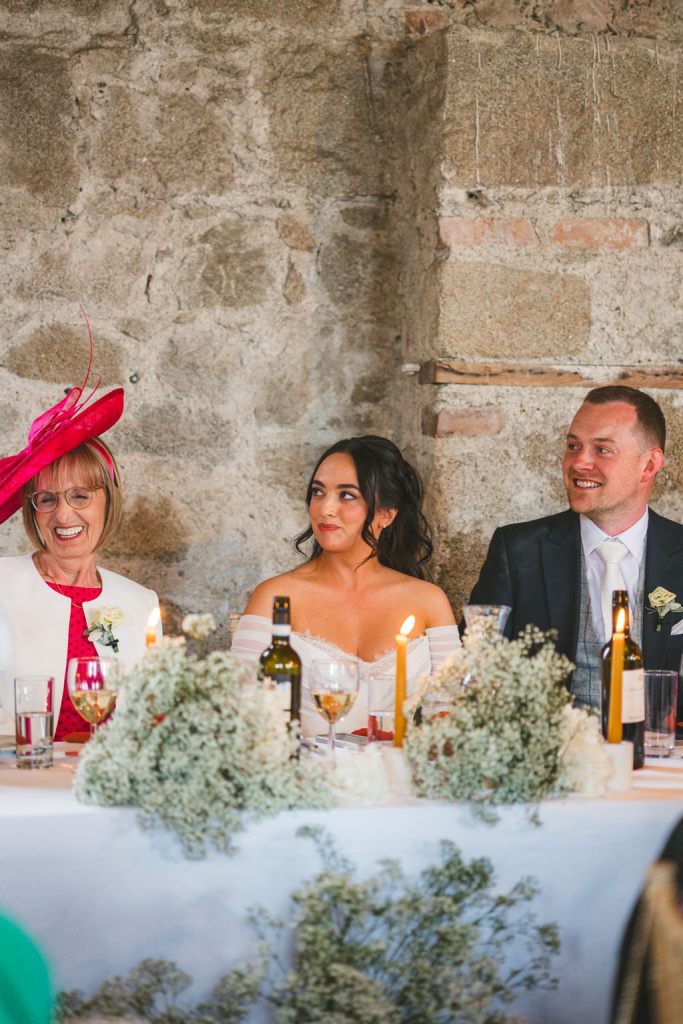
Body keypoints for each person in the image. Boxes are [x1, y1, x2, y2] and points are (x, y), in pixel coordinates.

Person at [469, 385, 683, 709]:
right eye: (573, 446)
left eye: (602, 450)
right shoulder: (517, 551)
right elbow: (473, 671)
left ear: (649, 466)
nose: (579, 462)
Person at [231, 435, 460, 736]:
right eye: (318, 492)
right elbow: (236, 714)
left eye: (347, 495)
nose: (325, 509)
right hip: (304, 778)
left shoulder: (429, 601)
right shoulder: (276, 598)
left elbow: (454, 720)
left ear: (386, 514)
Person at [0, 371, 161, 737]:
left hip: (107, 787)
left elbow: (153, 718)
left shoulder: (141, 602)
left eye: (81, 496)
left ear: (108, 500)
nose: (64, 515)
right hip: (16, 784)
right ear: (33, 509)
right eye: (47, 499)